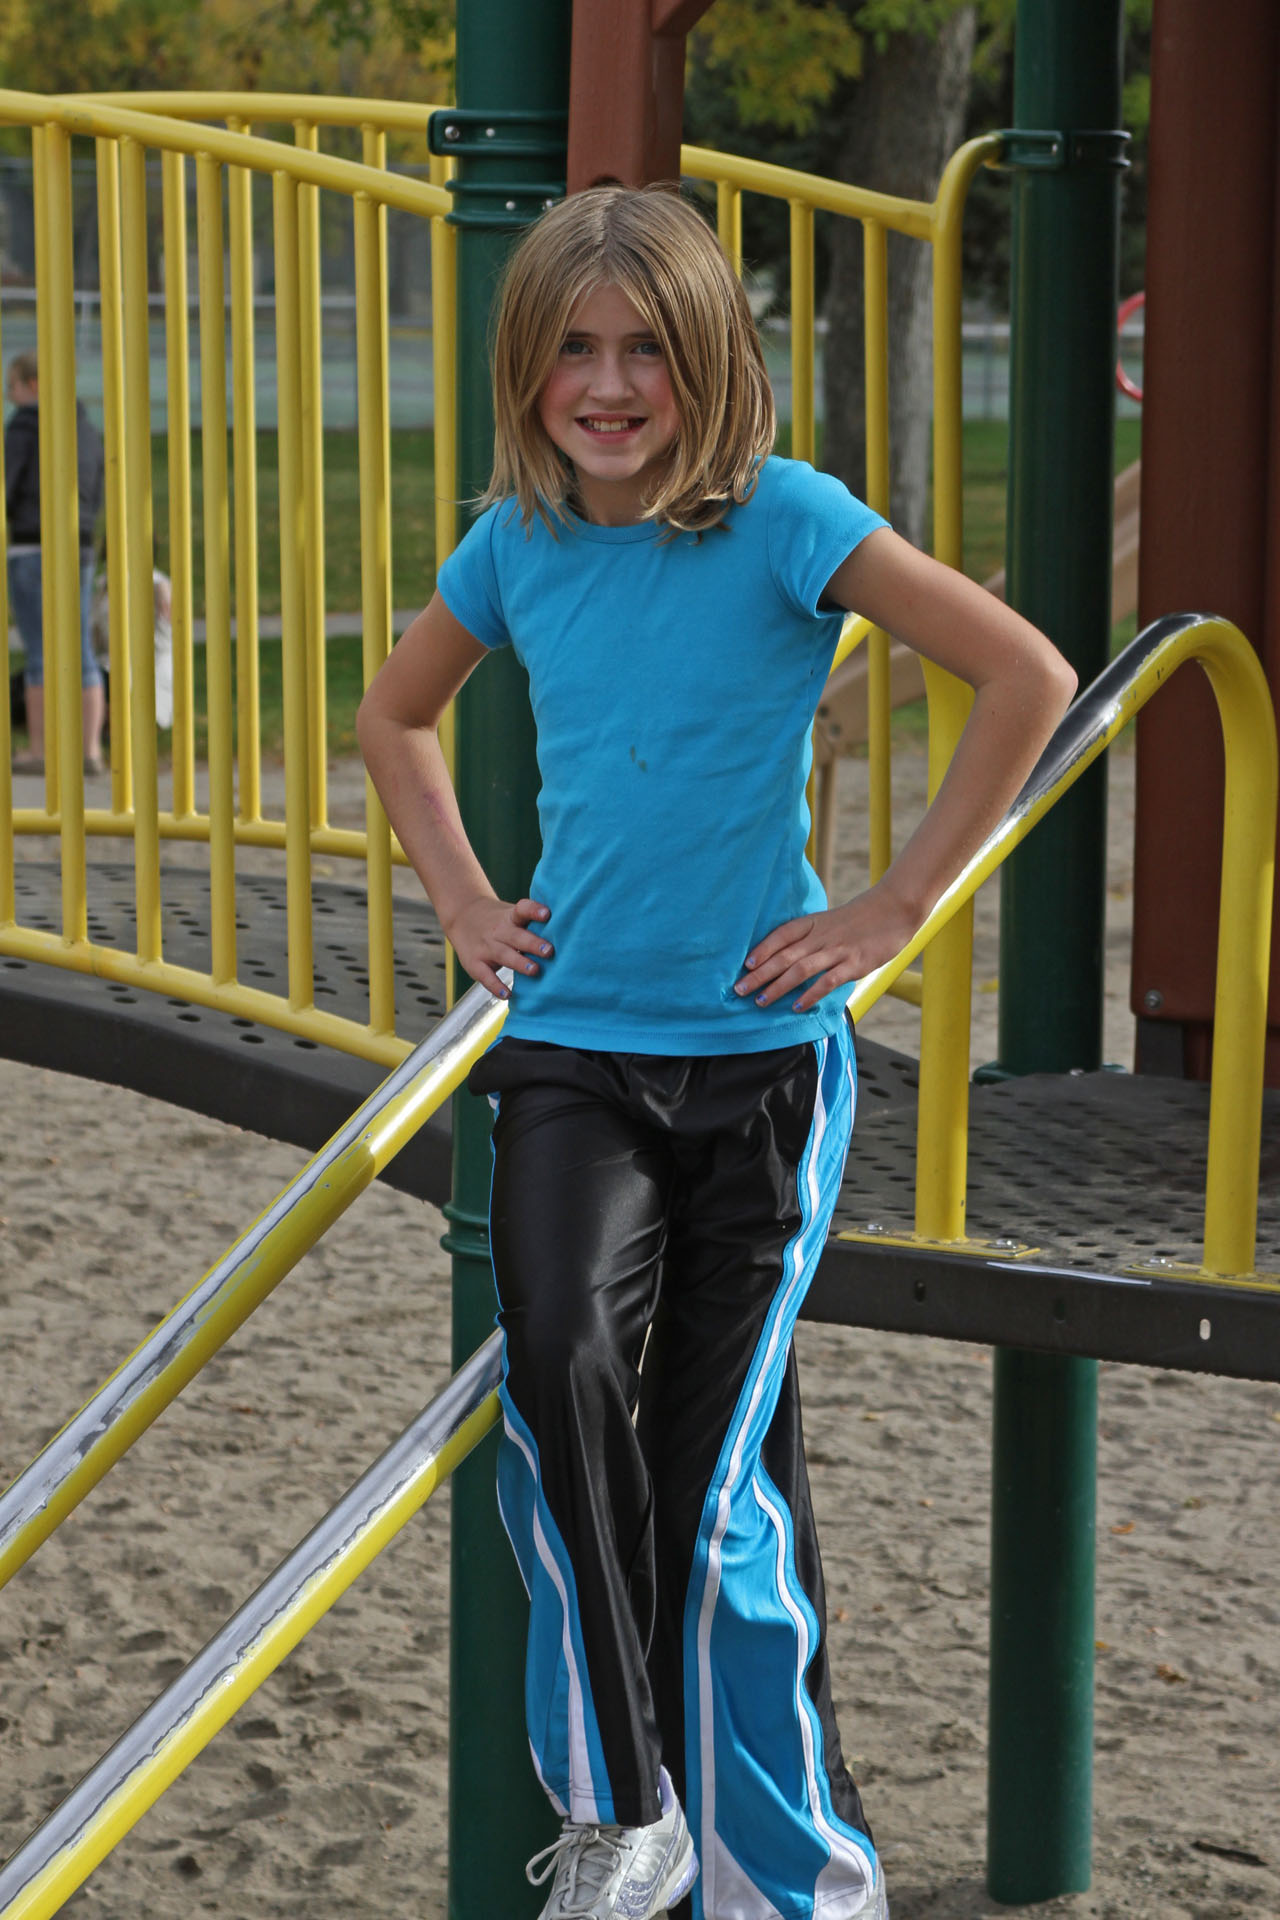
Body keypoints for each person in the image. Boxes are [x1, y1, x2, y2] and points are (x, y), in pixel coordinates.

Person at [358, 185, 1076, 1920]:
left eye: (646, 352)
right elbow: (393, 714)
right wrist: (464, 899)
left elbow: (1026, 676)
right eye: (573, 352)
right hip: (574, 1050)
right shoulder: (515, 548)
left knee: (705, 1486)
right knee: (556, 1372)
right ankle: (628, 1812)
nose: (609, 388)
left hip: (757, 1070)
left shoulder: (784, 521)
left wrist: (898, 902)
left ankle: (797, 1873)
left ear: (707, 362)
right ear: (527, 371)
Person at [5, 352, 106, 775]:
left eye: (11, 386)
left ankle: (40, 749)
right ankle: (90, 750)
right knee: (80, 648)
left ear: (33, 385)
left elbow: (7, 485)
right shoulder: (86, 428)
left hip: (31, 545)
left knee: (39, 651)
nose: (8, 395)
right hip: (78, 547)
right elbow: (98, 488)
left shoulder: (23, 427)